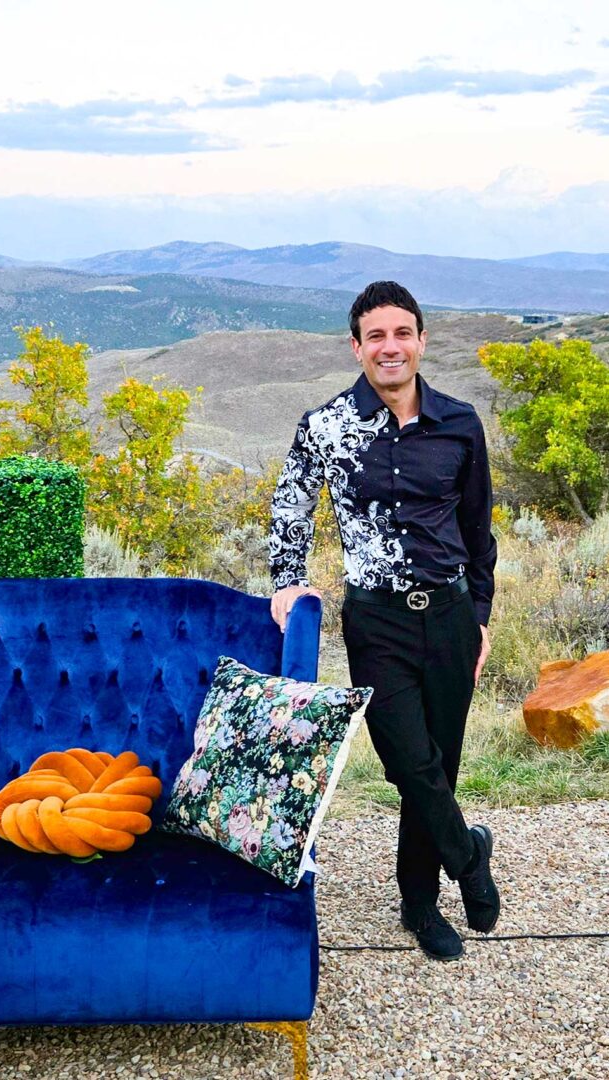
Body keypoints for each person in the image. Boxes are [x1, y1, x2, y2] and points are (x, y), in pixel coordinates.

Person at [268, 280, 500, 961]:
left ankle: (418, 903)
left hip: (451, 616)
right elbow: (289, 504)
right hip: (377, 622)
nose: (390, 347)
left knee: (440, 766)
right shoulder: (325, 424)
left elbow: (477, 528)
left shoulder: (458, 423)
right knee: (409, 764)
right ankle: (467, 856)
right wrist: (286, 580)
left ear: (421, 340)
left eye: (402, 333)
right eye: (376, 336)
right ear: (357, 347)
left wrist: (480, 616)